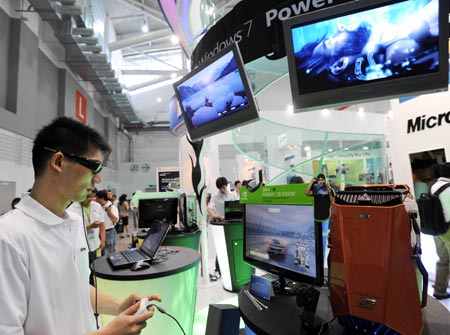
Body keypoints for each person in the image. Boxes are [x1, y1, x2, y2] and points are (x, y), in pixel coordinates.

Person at [0, 116, 160, 334]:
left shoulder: (74, 224)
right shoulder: (9, 237)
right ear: (58, 162)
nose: (98, 180)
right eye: (94, 167)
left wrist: (118, 306)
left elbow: (76, 288)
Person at [67, 188, 106, 285]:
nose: (91, 199)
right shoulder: (71, 210)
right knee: (85, 273)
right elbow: (72, 231)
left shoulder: (97, 206)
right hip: (81, 248)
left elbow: (102, 224)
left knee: (98, 270)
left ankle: (98, 289)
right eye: (88, 197)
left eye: (92, 196)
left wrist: (103, 239)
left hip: (96, 245)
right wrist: (90, 227)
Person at [207, 177, 238, 280]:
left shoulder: (233, 195)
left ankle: (232, 270)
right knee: (221, 248)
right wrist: (215, 215)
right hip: (222, 223)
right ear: (218, 188)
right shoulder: (215, 198)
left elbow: (239, 206)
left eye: (224, 187)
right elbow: (209, 209)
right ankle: (218, 271)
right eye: (221, 188)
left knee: (232, 247)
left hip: (233, 223)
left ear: (226, 185)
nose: (223, 190)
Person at [430, 163, 450, 300]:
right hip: (448, 229)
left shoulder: (434, 186)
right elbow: (448, 213)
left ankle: (439, 290)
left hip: (436, 230)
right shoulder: (449, 188)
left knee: (443, 260)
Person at [96, 189, 119, 255]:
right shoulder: (99, 207)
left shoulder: (112, 208)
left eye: (97, 198)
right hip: (100, 233)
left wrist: (109, 213)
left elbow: (115, 220)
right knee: (101, 252)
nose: (96, 200)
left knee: (109, 253)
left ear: (102, 198)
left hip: (109, 232)